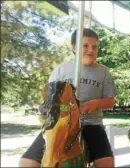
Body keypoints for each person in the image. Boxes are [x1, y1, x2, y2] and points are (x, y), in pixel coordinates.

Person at [19, 28, 117, 167]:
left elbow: (111, 101)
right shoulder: (61, 69)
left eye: (95, 47)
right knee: (26, 163)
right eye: (85, 45)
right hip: (62, 123)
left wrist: (94, 104)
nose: (91, 50)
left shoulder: (103, 71)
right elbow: (50, 98)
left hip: (90, 123)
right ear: (74, 47)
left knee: (106, 163)